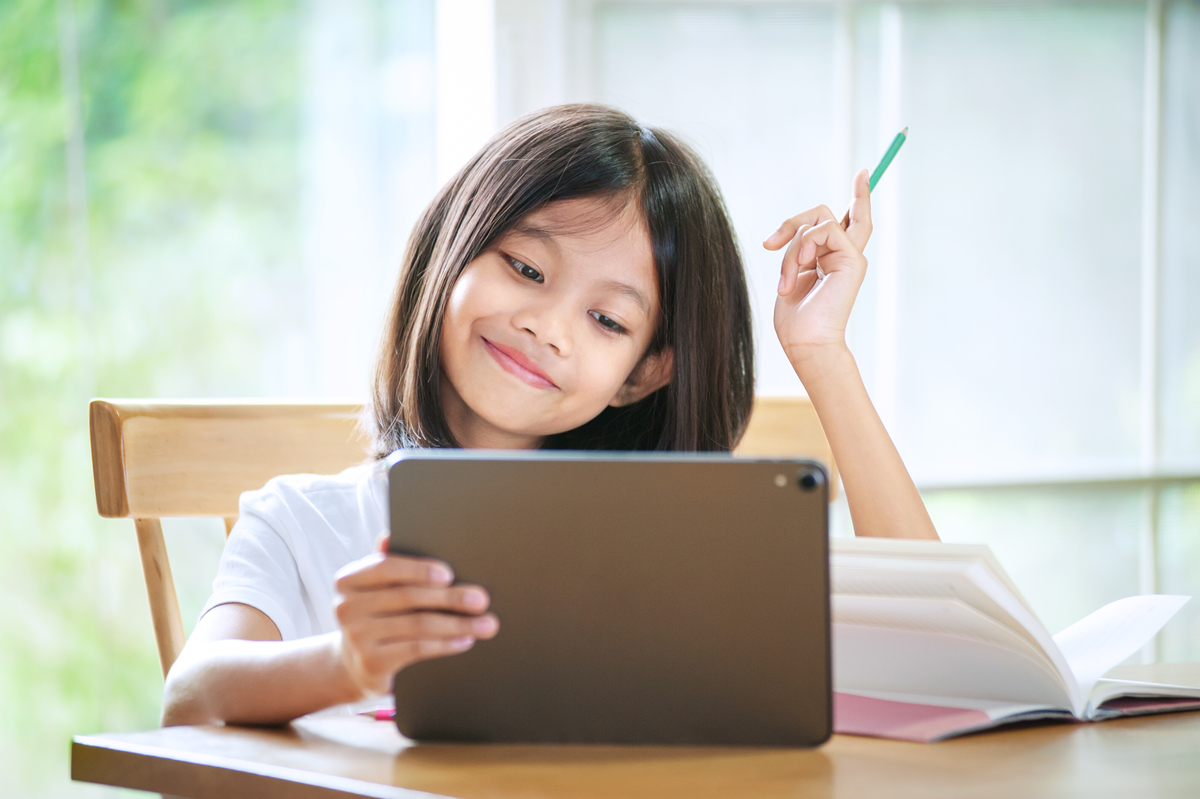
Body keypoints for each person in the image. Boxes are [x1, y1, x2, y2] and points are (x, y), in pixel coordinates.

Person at [161, 104, 939, 727]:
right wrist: (347, 665)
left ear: (644, 375)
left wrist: (821, 353)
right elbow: (191, 695)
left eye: (608, 321)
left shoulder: (686, 543)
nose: (548, 325)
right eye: (526, 268)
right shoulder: (306, 521)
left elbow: (934, 645)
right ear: (450, 253)